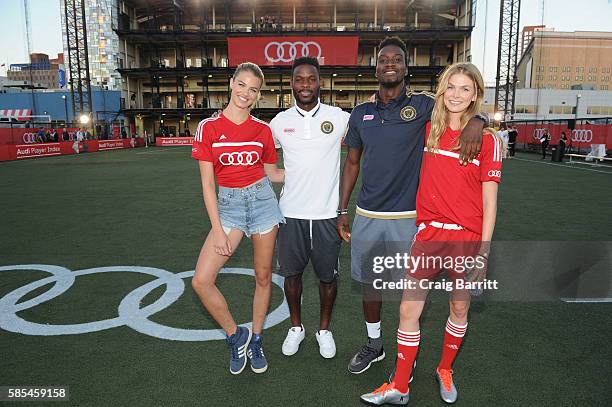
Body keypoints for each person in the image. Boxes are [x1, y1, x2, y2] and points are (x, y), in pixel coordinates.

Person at [338, 36, 486, 375]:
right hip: (368, 215)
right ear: (375, 67)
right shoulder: (361, 113)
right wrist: (342, 210)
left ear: (406, 67)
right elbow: (352, 163)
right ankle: (374, 345)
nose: (390, 63)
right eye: (383, 59)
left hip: (411, 218)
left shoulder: (423, 106)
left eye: (397, 59)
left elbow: (460, 104)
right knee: (371, 286)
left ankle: (408, 354)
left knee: (411, 292)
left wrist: (481, 119)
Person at [360, 62, 502, 406]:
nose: (456, 94)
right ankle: (399, 385)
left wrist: (483, 252)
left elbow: (490, 202)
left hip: (467, 239)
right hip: (428, 234)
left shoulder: (488, 141)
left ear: (476, 95)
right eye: (451, 87)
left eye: (465, 89)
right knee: (409, 311)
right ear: (442, 90)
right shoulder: (427, 129)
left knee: (459, 309)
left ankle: (445, 369)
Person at [190, 62, 285, 376]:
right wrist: (217, 230)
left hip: (262, 202)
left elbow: (272, 173)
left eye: (253, 89)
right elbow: (207, 184)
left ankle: (256, 338)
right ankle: (236, 334)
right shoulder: (209, 127)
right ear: (231, 83)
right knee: (202, 281)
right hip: (228, 207)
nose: (246, 93)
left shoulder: (262, 130)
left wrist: (311, 170)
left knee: (262, 276)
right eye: (241, 84)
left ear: (258, 94)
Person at [270, 57, 350, 359]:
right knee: (291, 275)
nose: (305, 84)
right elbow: (265, 160)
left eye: (311, 79)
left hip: (328, 215)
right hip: (290, 214)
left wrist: (480, 119)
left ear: (320, 82)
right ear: (292, 83)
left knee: (328, 277)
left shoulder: (339, 117)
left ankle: (324, 330)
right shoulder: (279, 122)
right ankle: (296, 327)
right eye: (299, 79)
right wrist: (281, 176)